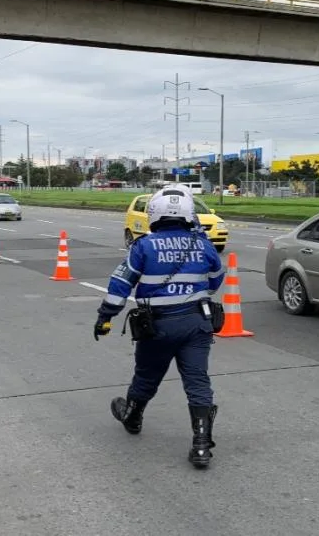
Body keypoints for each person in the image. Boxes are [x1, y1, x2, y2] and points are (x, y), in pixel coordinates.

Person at [94, 187, 226, 468]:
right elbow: (216, 280)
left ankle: (132, 417)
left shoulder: (143, 246)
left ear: (154, 213)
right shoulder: (203, 244)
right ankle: (202, 446)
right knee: (197, 381)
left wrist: (105, 317)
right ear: (189, 213)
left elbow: (120, 285)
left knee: (147, 376)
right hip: (197, 324)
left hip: (157, 326)